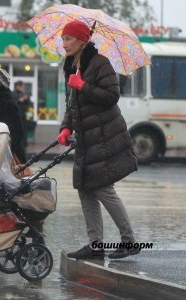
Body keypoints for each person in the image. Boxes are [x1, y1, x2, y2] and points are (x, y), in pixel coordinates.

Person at [57, 20, 139, 260]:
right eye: (63, 39)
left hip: (105, 136)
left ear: (82, 40)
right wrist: (65, 127)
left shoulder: (101, 63)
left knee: (102, 188)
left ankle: (129, 240)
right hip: (86, 138)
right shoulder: (70, 66)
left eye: (69, 39)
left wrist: (84, 86)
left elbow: (112, 96)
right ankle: (95, 245)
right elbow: (72, 104)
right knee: (85, 189)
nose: (64, 44)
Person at [0, 69, 44, 243]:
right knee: (13, 195)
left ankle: (35, 232)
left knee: (19, 195)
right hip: (5, 154)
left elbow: (17, 131)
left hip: (11, 155)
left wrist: (11, 152)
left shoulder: (6, 102)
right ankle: (23, 228)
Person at [12, 81, 32, 148]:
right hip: (16, 116)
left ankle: (24, 144)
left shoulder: (24, 94)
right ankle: (17, 144)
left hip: (23, 116)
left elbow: (29, 104)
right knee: (17, 131)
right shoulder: (13, 94)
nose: (23, 88)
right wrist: (19, 100)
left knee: (24, 130)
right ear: (17, 86)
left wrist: (26, 99)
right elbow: (12, 104)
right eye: (21, 86)